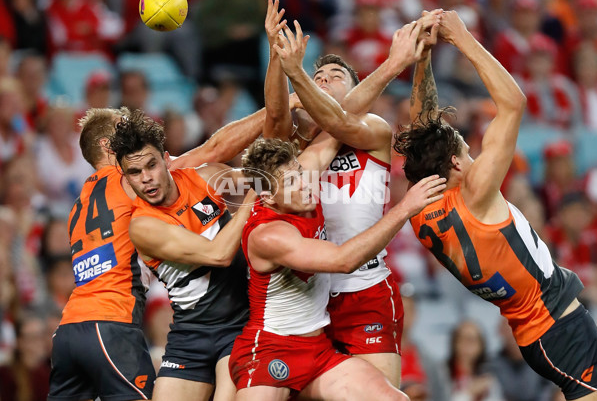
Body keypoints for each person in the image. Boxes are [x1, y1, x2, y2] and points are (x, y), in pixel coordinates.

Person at [394, 10, 597, 400]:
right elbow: (513, 102)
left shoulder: (423, 206)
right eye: (467, 151)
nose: (474, 154)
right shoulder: (475, 192)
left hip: (541, 330)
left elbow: (423, 127)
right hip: (556, 326)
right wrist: (463, 37)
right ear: (455, 164)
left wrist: (423, 57)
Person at [262, 0, 440, 386]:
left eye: (334, 77)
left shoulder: (373, 128)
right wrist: (279, 58)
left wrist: (299, 75)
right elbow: (274, 118)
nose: (322, 79)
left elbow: (339, 119)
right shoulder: (296, 146)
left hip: (364, 290)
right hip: (306, 295)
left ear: (359, 91)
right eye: (317, 76)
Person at [49, 106, 266, 401]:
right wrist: (273, 112)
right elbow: (214, 148)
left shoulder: (80, 203)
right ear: (108, 146)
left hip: (68, 329)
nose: (130, 133)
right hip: (112, 322)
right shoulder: (128, 180)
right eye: (122, 127)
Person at [229, 136, 445, 400]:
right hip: (270, 350)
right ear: (268, 197)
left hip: (316, 350)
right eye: (290, 182)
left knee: (394, 398)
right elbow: (343, 260)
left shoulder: (300, 188)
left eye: (299, 173)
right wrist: (404, 209)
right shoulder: (268, 235)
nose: (306, 184)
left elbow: (338, 125)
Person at [109, 110, 257, 401]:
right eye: (135, 173)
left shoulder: (206, 178)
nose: (147, 179)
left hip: (239, 325)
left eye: (151, 165)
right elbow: (219, 255)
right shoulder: (143, 226)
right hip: (189, 335)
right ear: (126, 178)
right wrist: (251, 202)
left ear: (166, 159)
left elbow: (262, 179)